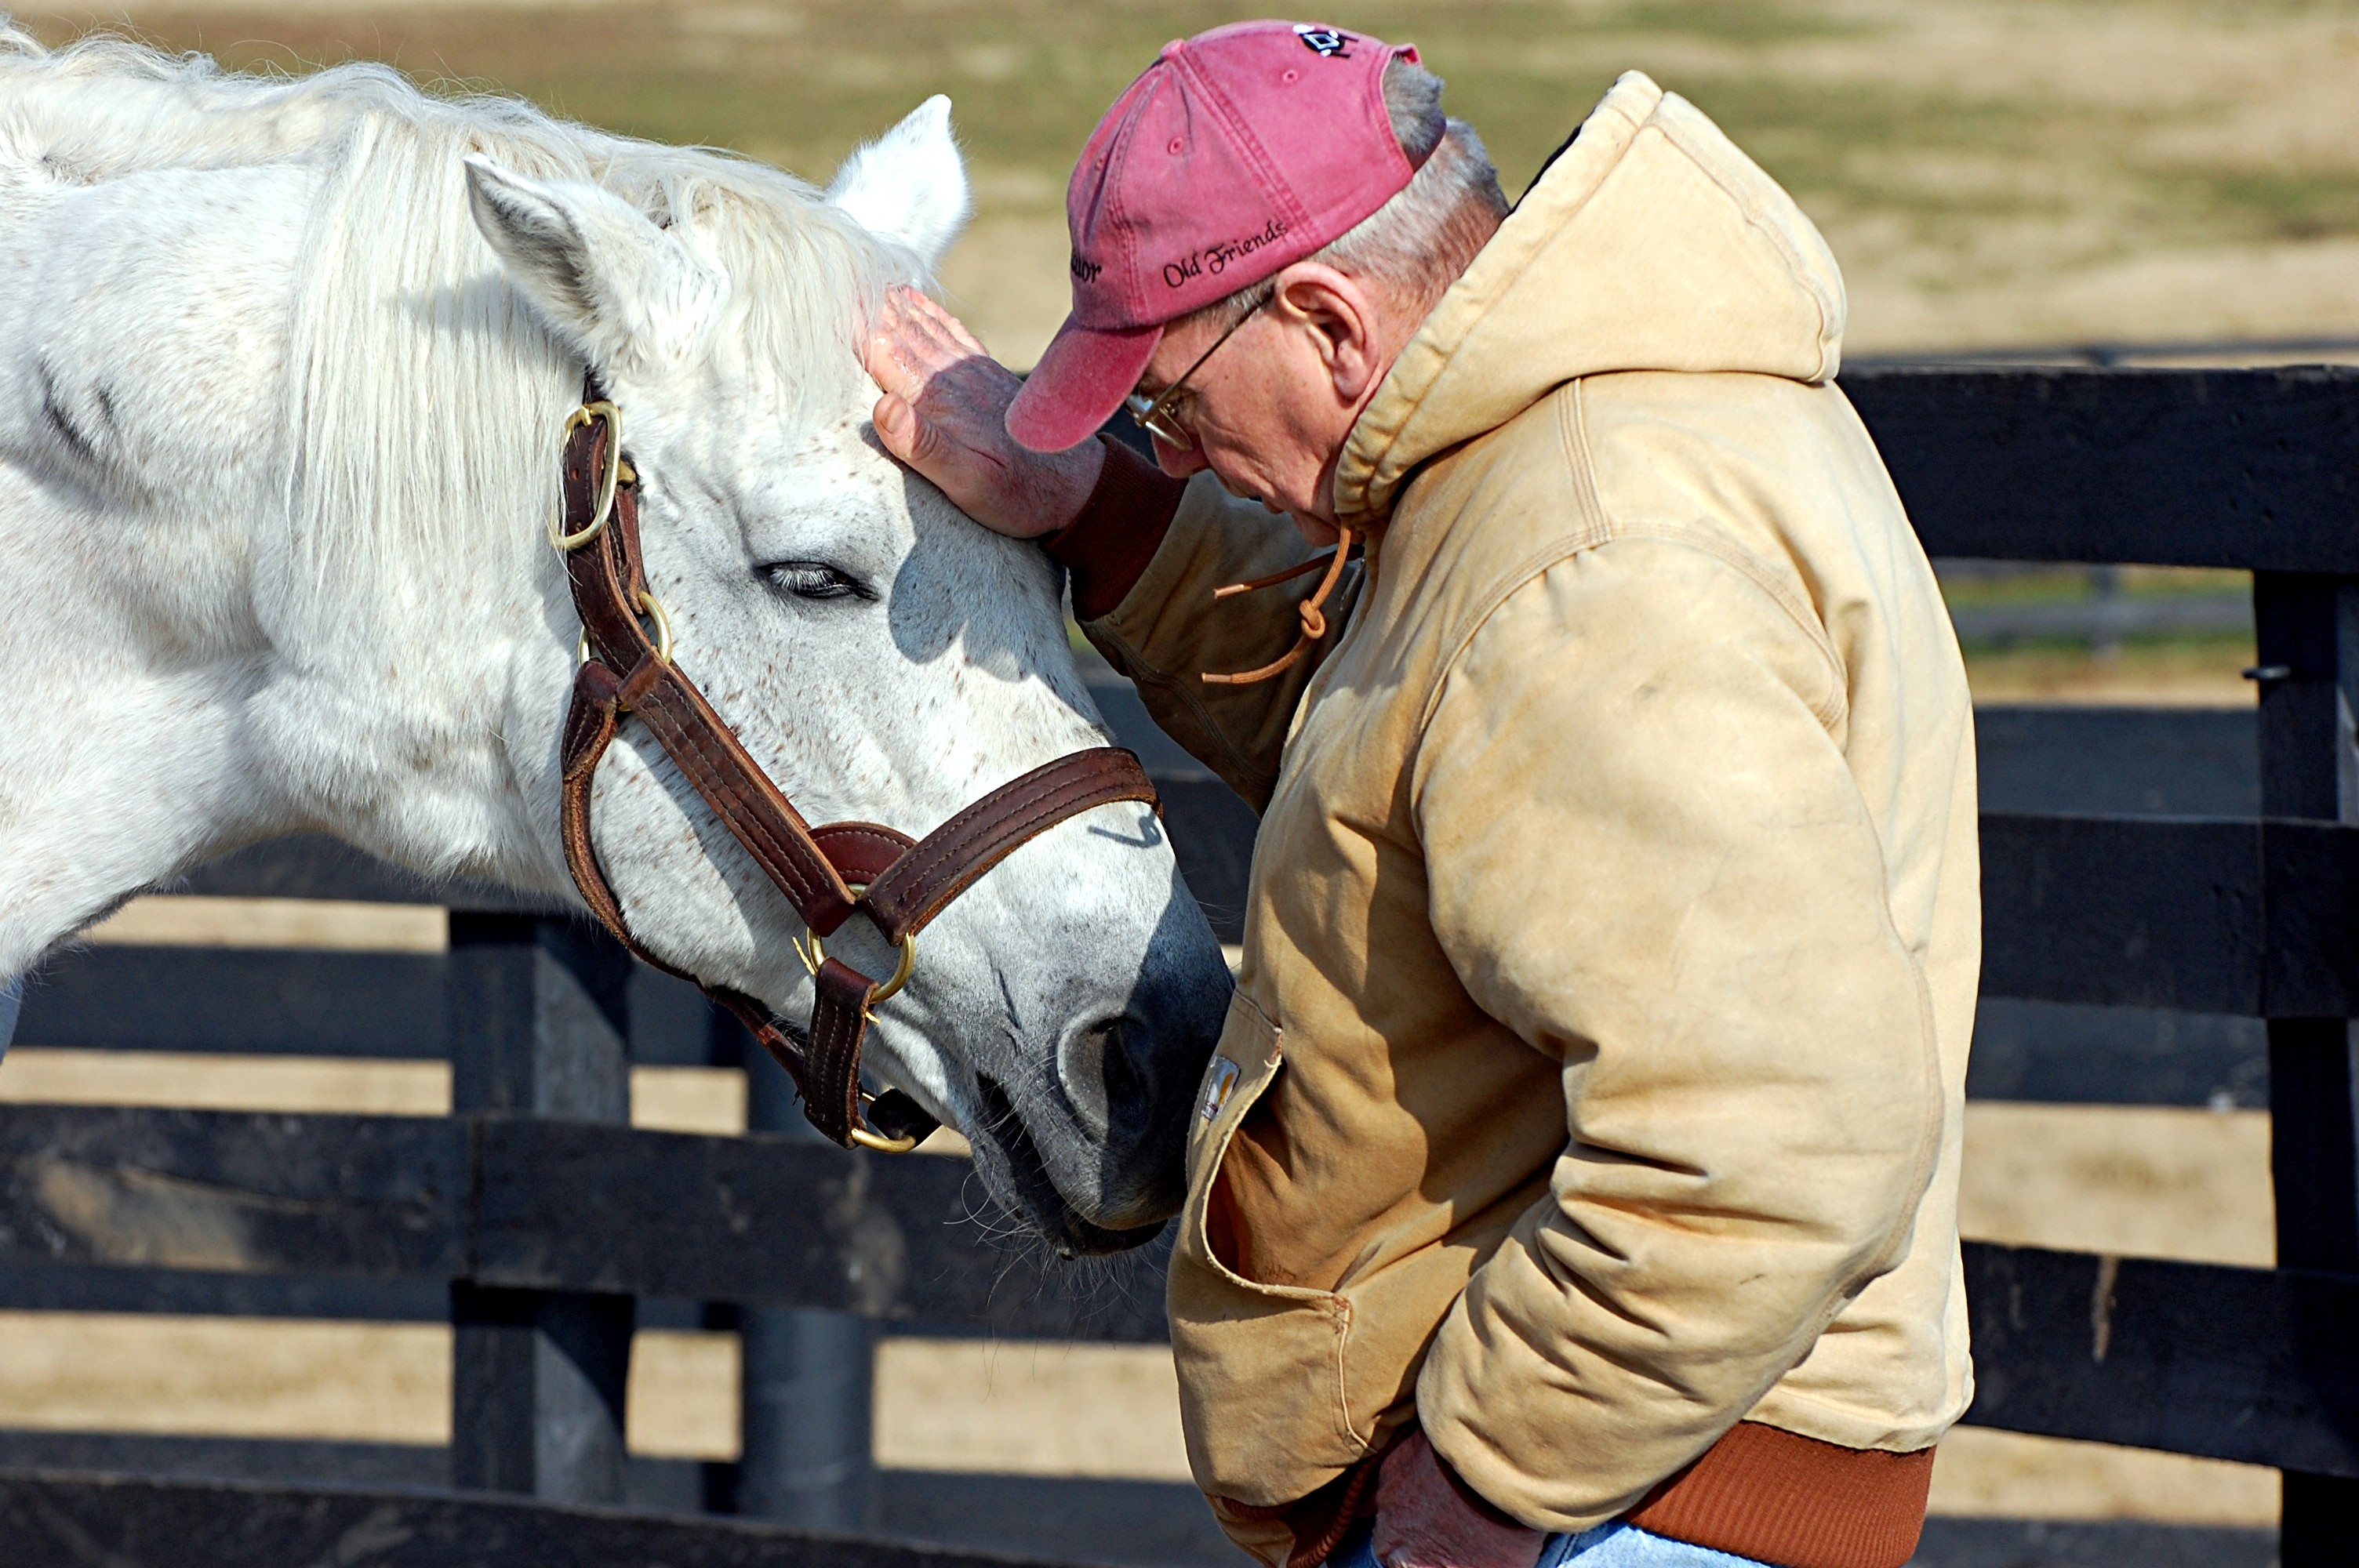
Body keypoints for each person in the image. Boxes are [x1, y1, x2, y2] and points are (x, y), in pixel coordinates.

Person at [867, 21, 1977, 1568]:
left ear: (1324, 320)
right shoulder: (1556, 459)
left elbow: (1772, 1139)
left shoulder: (1589, 562)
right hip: (1629, 1483)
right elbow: (1433, 747)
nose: (1173, 448)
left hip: (1618, 1507)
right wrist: (1105, 513)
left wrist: (1489, 1476)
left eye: (1170, 405)